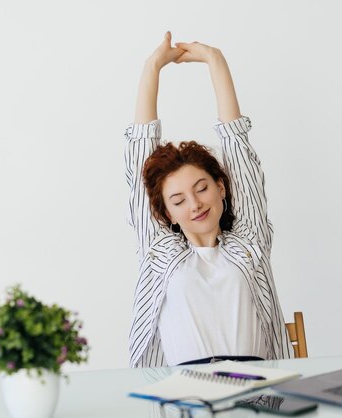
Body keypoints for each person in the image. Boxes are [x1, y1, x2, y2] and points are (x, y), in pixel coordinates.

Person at [125, 32, 293, 368]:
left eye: (201, 188)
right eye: (179, 199)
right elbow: (139, 158)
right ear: (167, 213)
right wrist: (152, 66)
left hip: (255, 399)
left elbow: (239, 152)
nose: (195, 204)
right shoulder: (160, 250)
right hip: (185, 401)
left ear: (221, 188)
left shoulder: (249, 242)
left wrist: (215, 61)